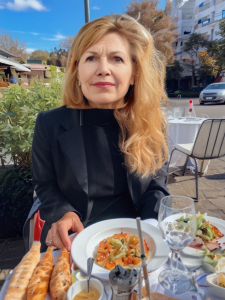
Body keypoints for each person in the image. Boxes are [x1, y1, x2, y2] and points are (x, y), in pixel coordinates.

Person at [32, 14, 169, 252]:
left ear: (134, 74)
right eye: (91, 58)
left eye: (117, 58)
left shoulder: (151, 123)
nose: (103, 69)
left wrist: (149, 230)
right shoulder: (49, 123)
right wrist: (64, 213)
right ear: (77, 71)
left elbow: (156, 186)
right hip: (75, 240)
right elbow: (45, 184)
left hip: (136, 238)